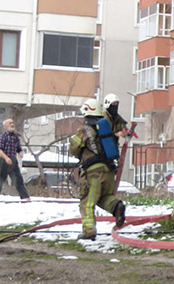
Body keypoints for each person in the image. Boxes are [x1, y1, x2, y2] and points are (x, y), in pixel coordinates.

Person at [69, 98, 126, 240]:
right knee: (102, 197)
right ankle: (116, 205)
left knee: (87, 202)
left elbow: (74, 149)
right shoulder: (106, 128)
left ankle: (89, 232)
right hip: (109, 170)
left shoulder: (84, 130)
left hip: (94, 173)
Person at [0, 119, 30, 202]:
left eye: (13, 123)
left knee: (18, 180)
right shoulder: (3, 137)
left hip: (13, 160)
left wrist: (20, 152)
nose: (12, 124)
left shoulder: (15, 137)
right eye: (10, 123)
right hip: (4, 160)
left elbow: (18, 148)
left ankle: (25, 197)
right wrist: (6, 158)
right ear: (5, 126)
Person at [102, 93, 131, 193]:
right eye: (113, 105)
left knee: (112, 171)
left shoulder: (117, 118)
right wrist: (115, 134)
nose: (115, 107)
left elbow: (123, 128)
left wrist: (126, 132)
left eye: (116, 104)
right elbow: (103, 134)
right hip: (102, 150)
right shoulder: (103, 119)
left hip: (113, 150)